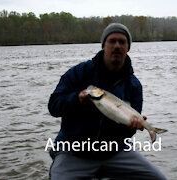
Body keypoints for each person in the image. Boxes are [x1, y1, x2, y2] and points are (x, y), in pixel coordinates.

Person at [48, 23, 166, 180]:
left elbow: (126, 133)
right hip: (74, 151)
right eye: (112, 41)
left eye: (122, 42)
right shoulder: (79, 72)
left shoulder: (134, 85)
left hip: (115, 152)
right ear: (104, 45)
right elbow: (54, 106)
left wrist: (132, 127)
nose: (117, 46)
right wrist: (77, 100)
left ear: (128, 48)